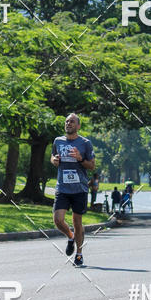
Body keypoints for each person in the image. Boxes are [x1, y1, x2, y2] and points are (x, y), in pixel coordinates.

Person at [50, 113, 95, 267]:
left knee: (77, 222)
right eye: (67, 121)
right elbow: (52, 156)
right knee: (58, 220)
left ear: (78, 126)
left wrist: (80, 158)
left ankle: (79, 254)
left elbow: (92, 165)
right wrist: (55, 160)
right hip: (62, 187)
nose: (68, 123)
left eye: (72, 121)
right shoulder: (58, 141)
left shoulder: (85, 143)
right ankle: (70, 237)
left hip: (79, 189)